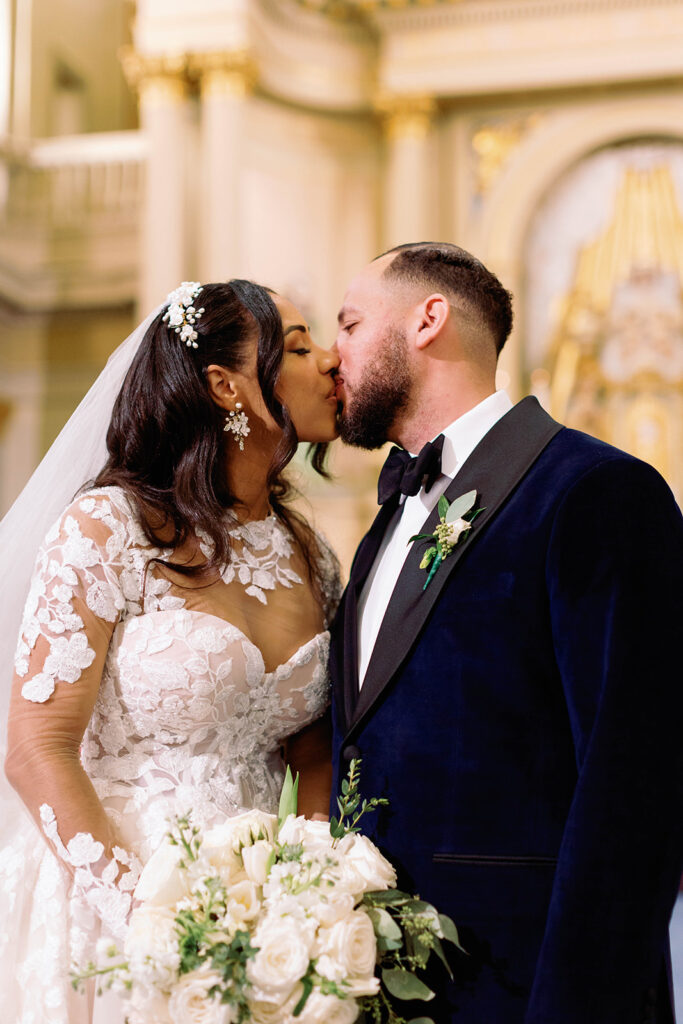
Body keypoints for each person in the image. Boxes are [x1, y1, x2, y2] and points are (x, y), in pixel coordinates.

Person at [329, 242, 683, 1024]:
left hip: (522, 989)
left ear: (427, 321)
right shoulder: (384, 522)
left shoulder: (597, 492)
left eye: (350, 324)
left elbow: (638, 783)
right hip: (376, 984)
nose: (334, 354)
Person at [0, 279, 341, 1023]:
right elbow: (36, 748)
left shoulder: (308, 555)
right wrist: (153, 920)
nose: (332, 362)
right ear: (226, 385)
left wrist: (309, 899)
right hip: (112, 905)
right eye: (302, 346)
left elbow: (314, 754)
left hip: (259, 921)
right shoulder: (106, 529)